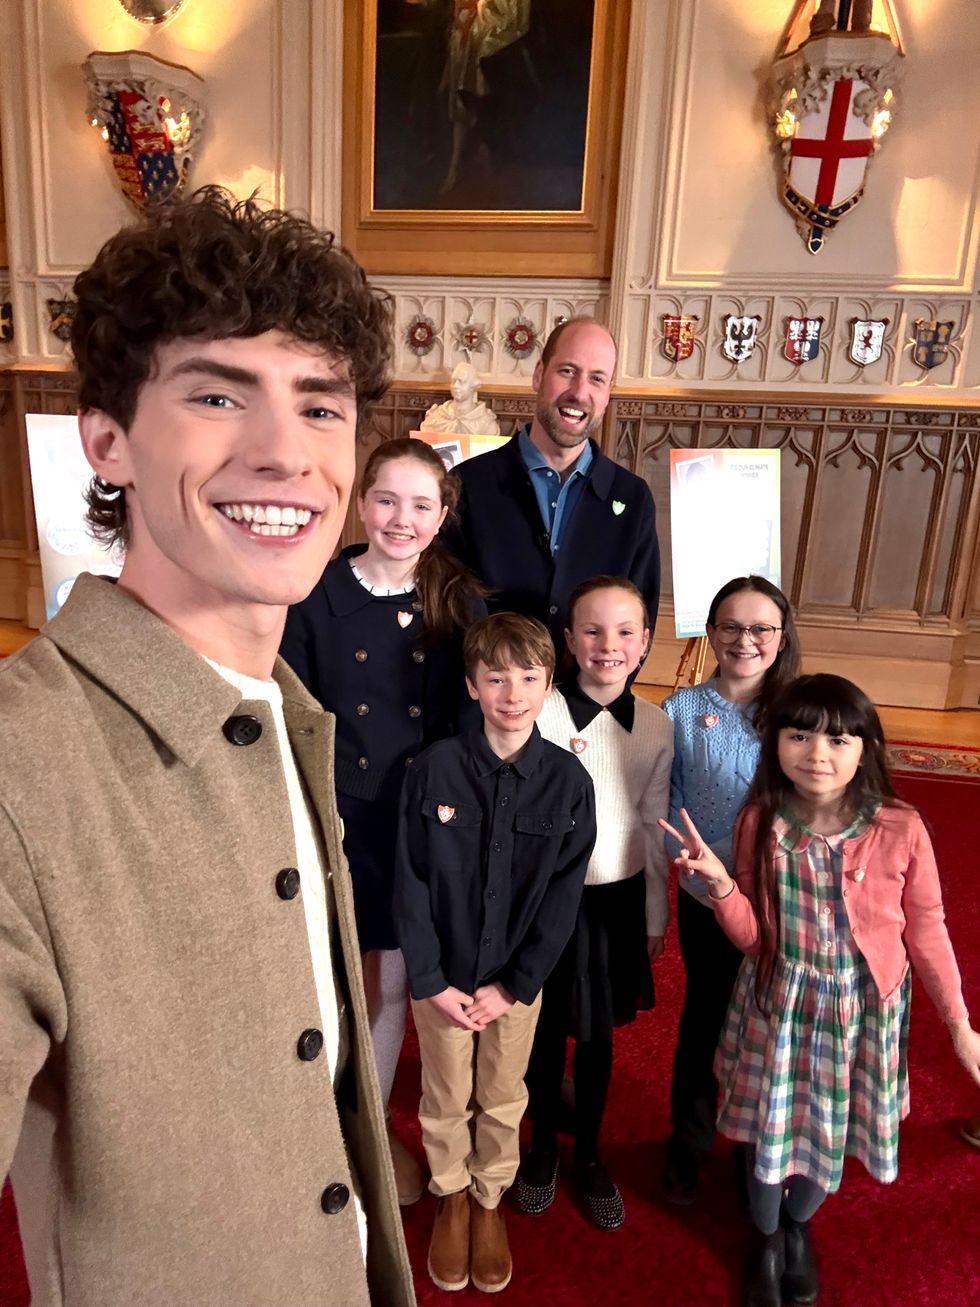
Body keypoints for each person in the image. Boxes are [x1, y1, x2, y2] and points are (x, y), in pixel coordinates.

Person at [0, 188, 415, 1307]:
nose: (285, 453)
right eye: (220, 393)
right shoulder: (17, 765)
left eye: (321, 407)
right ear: (109, 439)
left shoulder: (289, 707)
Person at [661, 674, 980, 1307]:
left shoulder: (900, 827)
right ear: (774, 742)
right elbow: (755, 938)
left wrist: (961, 1028)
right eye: (798, 735)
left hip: (861, 1013)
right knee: (768, 1133)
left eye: (839, 739)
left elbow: (928, 929)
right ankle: (765, 1232)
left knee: (829, 1133)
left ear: (867, 747)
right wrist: (722, 888)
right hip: (778, 1007)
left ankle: (798, 1222)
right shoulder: (762, 821)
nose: (818, 754)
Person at [280, 436, 486, 1205]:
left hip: (418, 821)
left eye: (421, 504)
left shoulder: (459, 601)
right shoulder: (316, 592)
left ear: (442, 515)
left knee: (394, 981)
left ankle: (366, 1129)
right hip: (335, 812)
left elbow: (473, 719)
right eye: (387, 499)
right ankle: (322, 1118)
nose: (402, 519)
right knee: (332, 978)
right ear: (361, 501)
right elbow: (297, 711)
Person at [394, 613, 595, 1293]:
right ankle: (451, 1192)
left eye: (529, 677)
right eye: (497, 677)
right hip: (443, 978)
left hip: (515, 982)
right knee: (446, 1090)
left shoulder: (568, 782)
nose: (513, 692)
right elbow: (411, 878)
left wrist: (516, 983)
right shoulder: (434, 769)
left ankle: (487, 1197)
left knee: (504, 1092)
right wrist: (429, 977)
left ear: (549, 685)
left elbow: (563, 897)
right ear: (473, 684)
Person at [517, 576, 672, 1229]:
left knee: (600, 1035)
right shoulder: (540, 709)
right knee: (546, 1032)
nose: (608, 644)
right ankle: (542, 1150)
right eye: (592, 629)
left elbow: (656, 819)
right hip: (550, 902)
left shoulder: (657, 724)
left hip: (617, 900)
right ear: (568, 638)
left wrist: (656, 915)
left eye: (624, 631)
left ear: (643, 644)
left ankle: (591, 1154)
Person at [660, 576, 800, 1206]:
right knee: (707, 1021)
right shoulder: (681, 711)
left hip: (788, 900)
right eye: (731, 627)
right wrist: (697, 867)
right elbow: (665, 803)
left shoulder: (803, 711)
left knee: (775, 1029)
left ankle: (761, 1157)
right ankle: (688, 1146)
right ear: (711, 632)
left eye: (760, 628)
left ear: (781, 636)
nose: (745, 641)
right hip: (708, 899)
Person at [442, 316, 661, 650]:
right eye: (567, 371)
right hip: (489, 697)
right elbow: (448, 609)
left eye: (597, 379)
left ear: (608, 393)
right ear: (539, 375)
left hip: (588, 699)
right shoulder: (468, 485)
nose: (579, 392)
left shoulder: (632, 498)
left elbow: (639, 623)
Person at [420, 361, 500, 435]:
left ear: (473, 386)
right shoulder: (436, 417)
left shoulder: (486, 423)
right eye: (453, 381)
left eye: (461, 382)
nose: (455, 386)